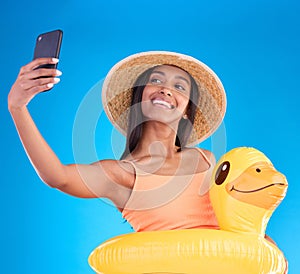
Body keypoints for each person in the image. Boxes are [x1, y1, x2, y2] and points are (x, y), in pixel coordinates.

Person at [8, 51, 287, 271]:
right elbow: (57, 176)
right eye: (155, 81)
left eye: (179, 86)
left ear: (187, 111)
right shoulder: (122, 175)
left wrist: (265, 249)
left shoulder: (205, 159)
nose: (166, 89)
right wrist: (17, 107)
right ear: (138, 100)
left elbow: (234, 219)